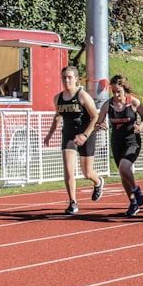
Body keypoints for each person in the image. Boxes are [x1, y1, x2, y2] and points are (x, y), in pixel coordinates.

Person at [42, 66, 104, 215]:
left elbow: (95, 116)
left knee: (87, 173)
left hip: (86, 134)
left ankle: (98, 182)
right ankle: (73, 202)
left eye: (69, 77)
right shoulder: (58, 98)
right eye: (64, 77)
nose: (66, 80)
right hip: (69, 135)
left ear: (76, 79)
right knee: (69, 170)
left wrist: (84, 135)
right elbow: (57, 116)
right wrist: (50, 134)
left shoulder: (82, 96)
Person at [94, 75, 143, 216]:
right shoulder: (108, 105)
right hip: (117, 142)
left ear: (124, 89)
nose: (116, 95)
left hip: (132, 141)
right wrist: (101, 125)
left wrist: (141, 125)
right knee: (123, 174)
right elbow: (98, 123)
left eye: (119, 91)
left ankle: (136, 189)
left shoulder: (133, 103)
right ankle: (133, 203)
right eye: (114, 92)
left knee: (125, 167)